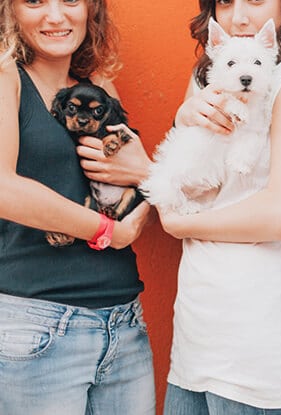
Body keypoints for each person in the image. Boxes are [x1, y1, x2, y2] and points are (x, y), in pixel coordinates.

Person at [155, 0, 281, 413]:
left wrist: (181, 224)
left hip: (259, 342)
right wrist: (182, 118)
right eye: (225, 2)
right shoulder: (209, 80)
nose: (239, 16)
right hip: (198, 333)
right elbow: (186, 171)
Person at [0, 0, 155, 414]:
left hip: (124, 318)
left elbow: (133, 169)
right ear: (9, 10)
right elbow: (2, 188)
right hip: (37, 319)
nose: (55, 15)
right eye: (34, 0)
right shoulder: (5, 75)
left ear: (91, 9)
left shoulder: (97, 82)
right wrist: (108, 231)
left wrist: (146, 187)